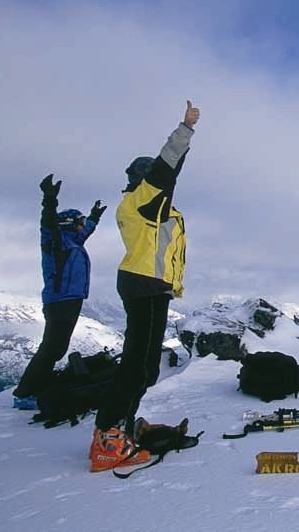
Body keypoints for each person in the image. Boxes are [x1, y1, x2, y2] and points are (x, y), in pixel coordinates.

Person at [89, 101, 199, 472]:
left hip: (154, 287)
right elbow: (166, 171)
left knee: (147, 366)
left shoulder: (155, 207)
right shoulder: (138, 202)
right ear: (143, 179)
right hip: (141, 285)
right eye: (151, 177)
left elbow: (167, 177)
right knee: (136, 364)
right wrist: (184, 130)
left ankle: (121, 426)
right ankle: (107, 436)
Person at [13, 175, 105, 410]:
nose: (81, 226)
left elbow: (85, 232)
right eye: (79, 222)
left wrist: (94, 217)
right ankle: (24, 394)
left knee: (57, 347)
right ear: (67, 224)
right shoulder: (55, 242)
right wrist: (49, 200)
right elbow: (48, 224)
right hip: (59, 301)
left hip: (71, 300)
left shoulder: (73, 241)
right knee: (52, 347)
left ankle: (37, 385)